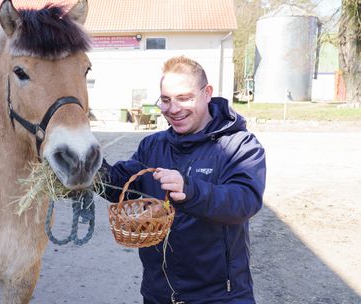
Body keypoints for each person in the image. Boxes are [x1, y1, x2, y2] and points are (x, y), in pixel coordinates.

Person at [101, 56, 266, 303]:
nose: (173, 109)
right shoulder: (152, 145)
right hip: (159, 294)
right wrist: (89, 169)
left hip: (220, 296)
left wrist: (191, 190)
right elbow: (121, 185)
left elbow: (244, 202)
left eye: (184, 98)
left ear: (207, 93)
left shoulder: (239, 145)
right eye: (166, 100)